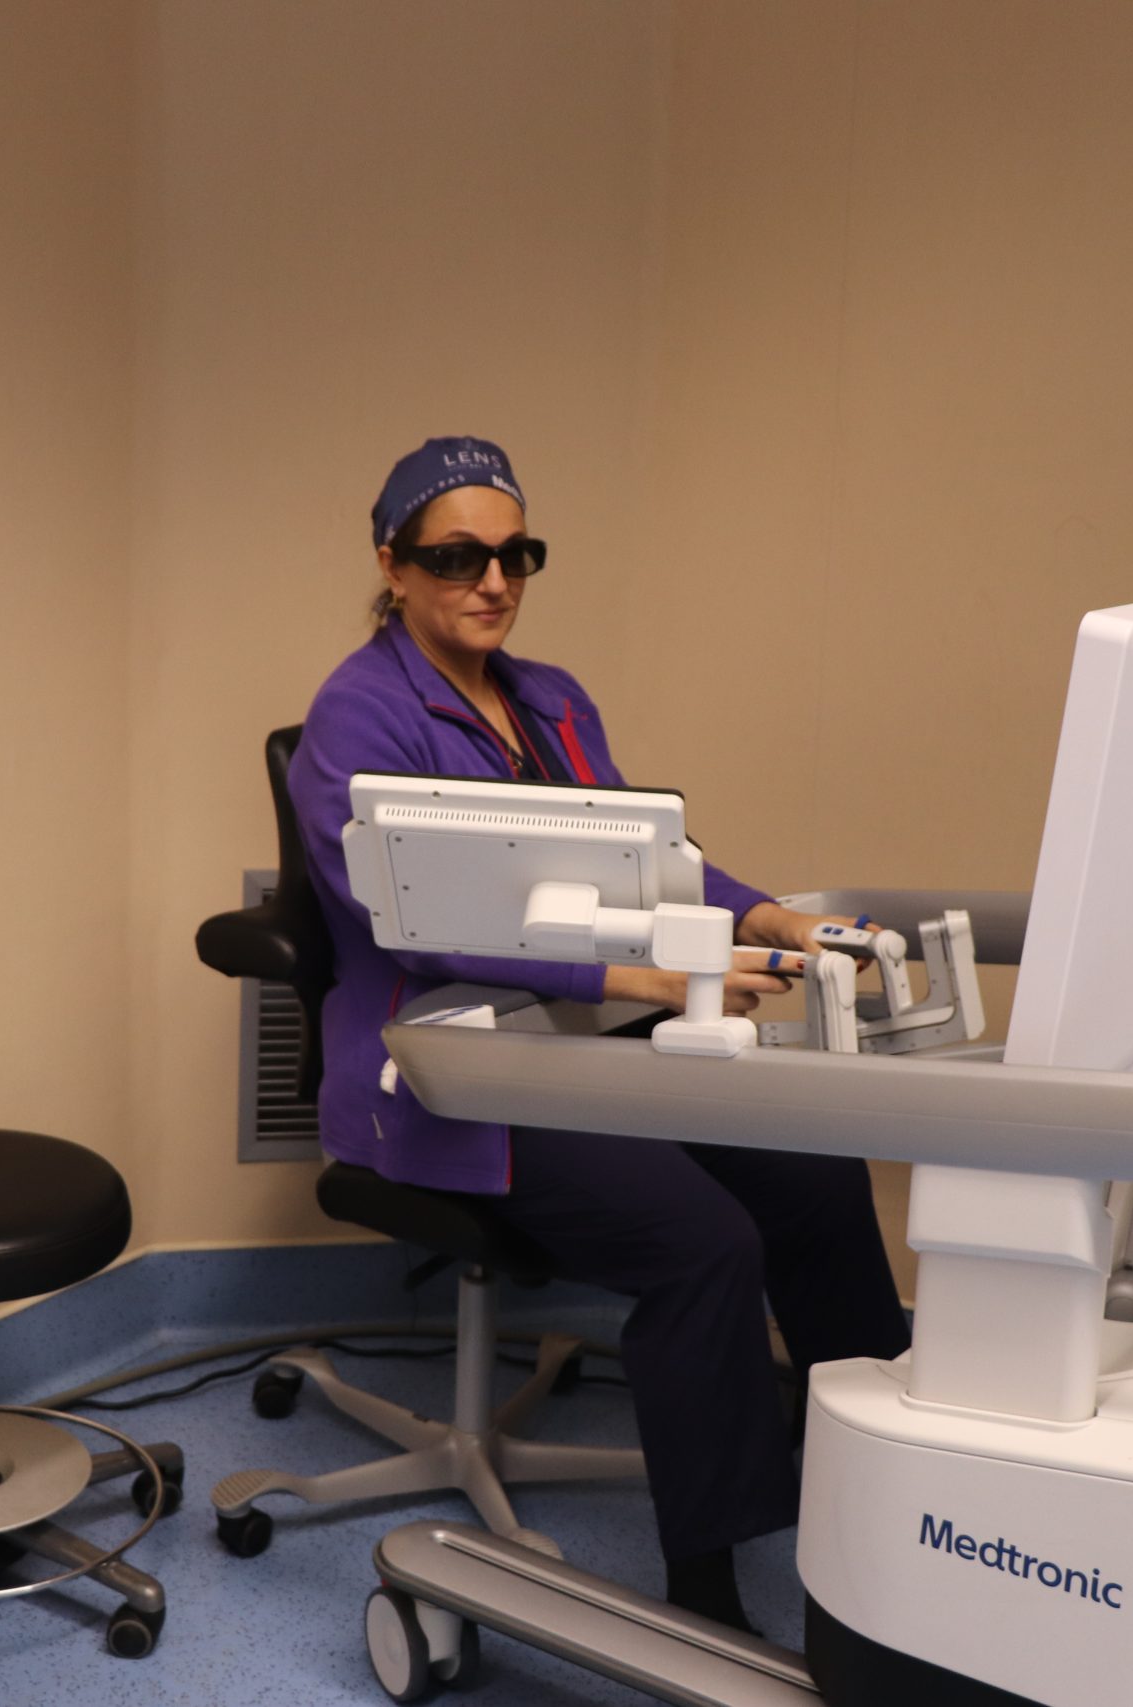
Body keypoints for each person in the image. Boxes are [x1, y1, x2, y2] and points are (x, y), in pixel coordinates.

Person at [288, 436, 911, 1632]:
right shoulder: (359, 714)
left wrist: (768, 916)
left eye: (514, 555)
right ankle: (706, 1593)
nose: (492, 581)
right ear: (393, 565)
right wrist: (643, 970)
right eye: (456, 557)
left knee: (818, 1180)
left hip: (585, 1038)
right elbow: (416, 926)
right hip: (452, 1073)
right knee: (703, 1243)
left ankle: (875, 1477)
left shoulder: (551, 700)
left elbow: (646, 859)